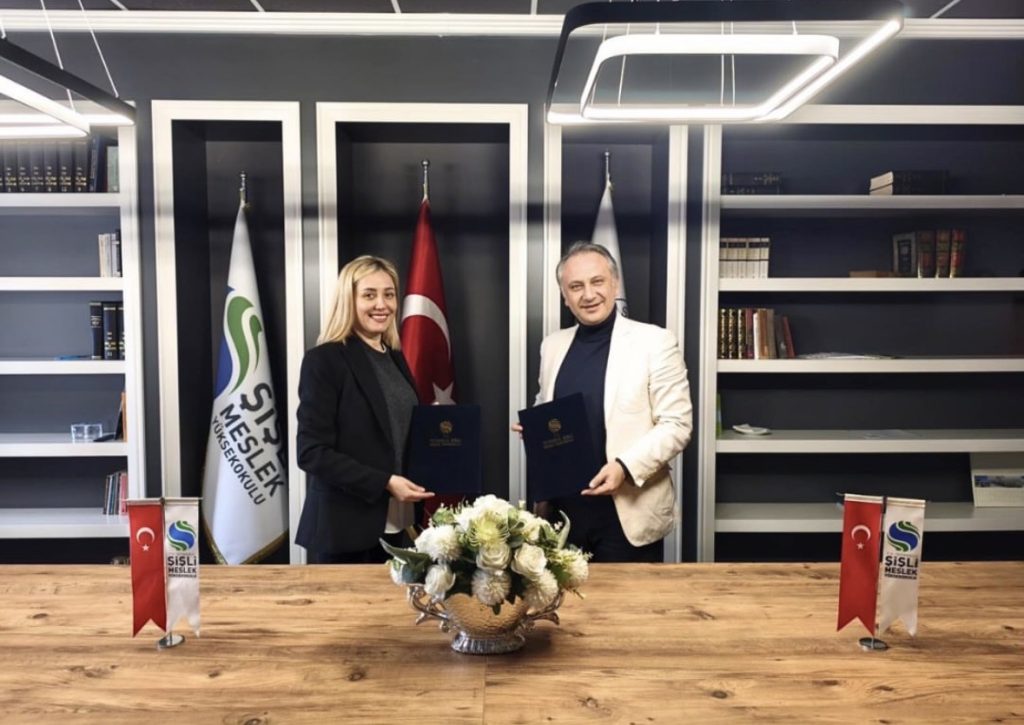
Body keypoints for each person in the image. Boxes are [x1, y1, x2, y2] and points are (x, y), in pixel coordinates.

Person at [516, 242, 692, 562]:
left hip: (627, 515)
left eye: (597, 282)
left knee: (626, 597)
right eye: (576, 286)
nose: (589, 294)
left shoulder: (655, 342)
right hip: (562, 515)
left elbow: (677, 425)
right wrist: (536, 428)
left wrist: (624, 467)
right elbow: (548, 409)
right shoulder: (552, 346)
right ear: (564, 295)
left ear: (615, 284)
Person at [295, 255, 433, 564]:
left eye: (389, 294)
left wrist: (431, 426)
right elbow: (311, 452)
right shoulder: (325, 360)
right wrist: (384, 482)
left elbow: (393, 431)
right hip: (344, 531)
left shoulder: (394, 357)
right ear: (349, 300)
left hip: (397, 524)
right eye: (369, 295)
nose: (381, 305)